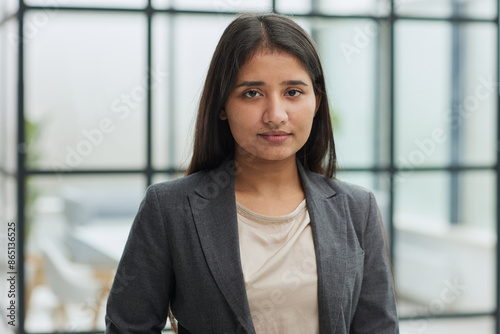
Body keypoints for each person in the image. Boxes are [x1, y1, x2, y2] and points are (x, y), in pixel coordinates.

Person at [105, 12, 399, 334]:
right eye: (252, 93)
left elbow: (378, 328)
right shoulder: (170, 209)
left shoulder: (357, 209)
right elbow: (128, 327)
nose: (275, 115)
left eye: (293, 92)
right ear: (222, 105)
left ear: (317, 101)